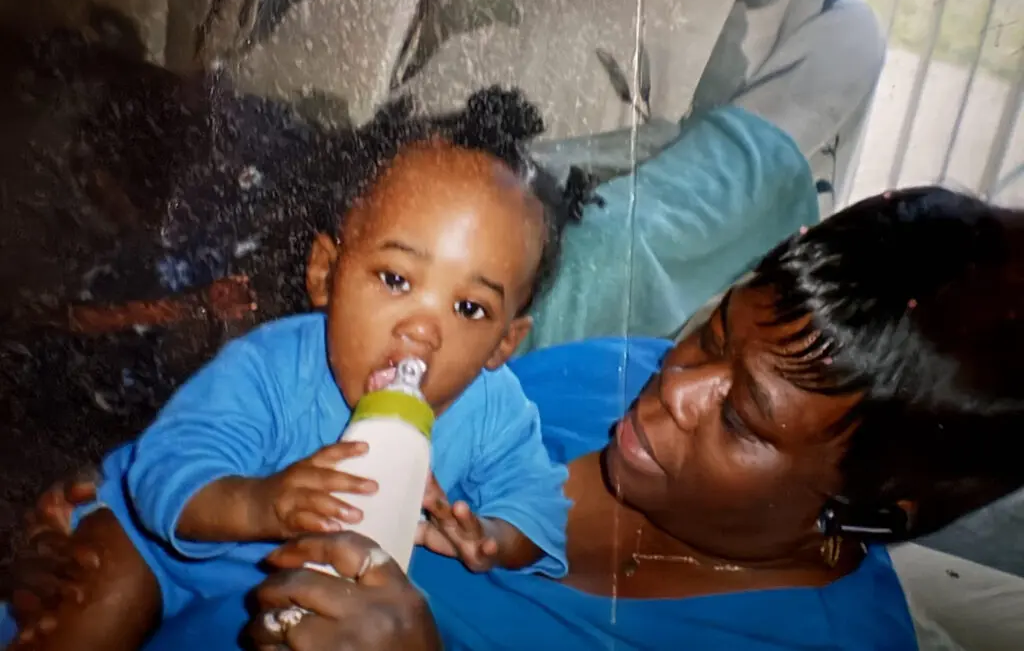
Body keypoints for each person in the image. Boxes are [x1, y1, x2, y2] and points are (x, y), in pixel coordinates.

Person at [7, 186, 1024, 650]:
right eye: (711, 333)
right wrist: (99, 507)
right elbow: (306, 414)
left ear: (874, 511)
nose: (668, 389)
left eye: (744, 423)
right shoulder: (598, 380)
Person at [2, 86, 603, 650]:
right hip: (157, 544)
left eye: (470, 307)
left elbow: (542, 512)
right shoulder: (272, 365)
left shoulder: (496, 412)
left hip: (264, 589)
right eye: (395, 279)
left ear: (504, 344)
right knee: (93, 608)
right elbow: (164, 471)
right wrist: (263, 503)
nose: (422, 329)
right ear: (325, 275)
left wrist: (491, 537)